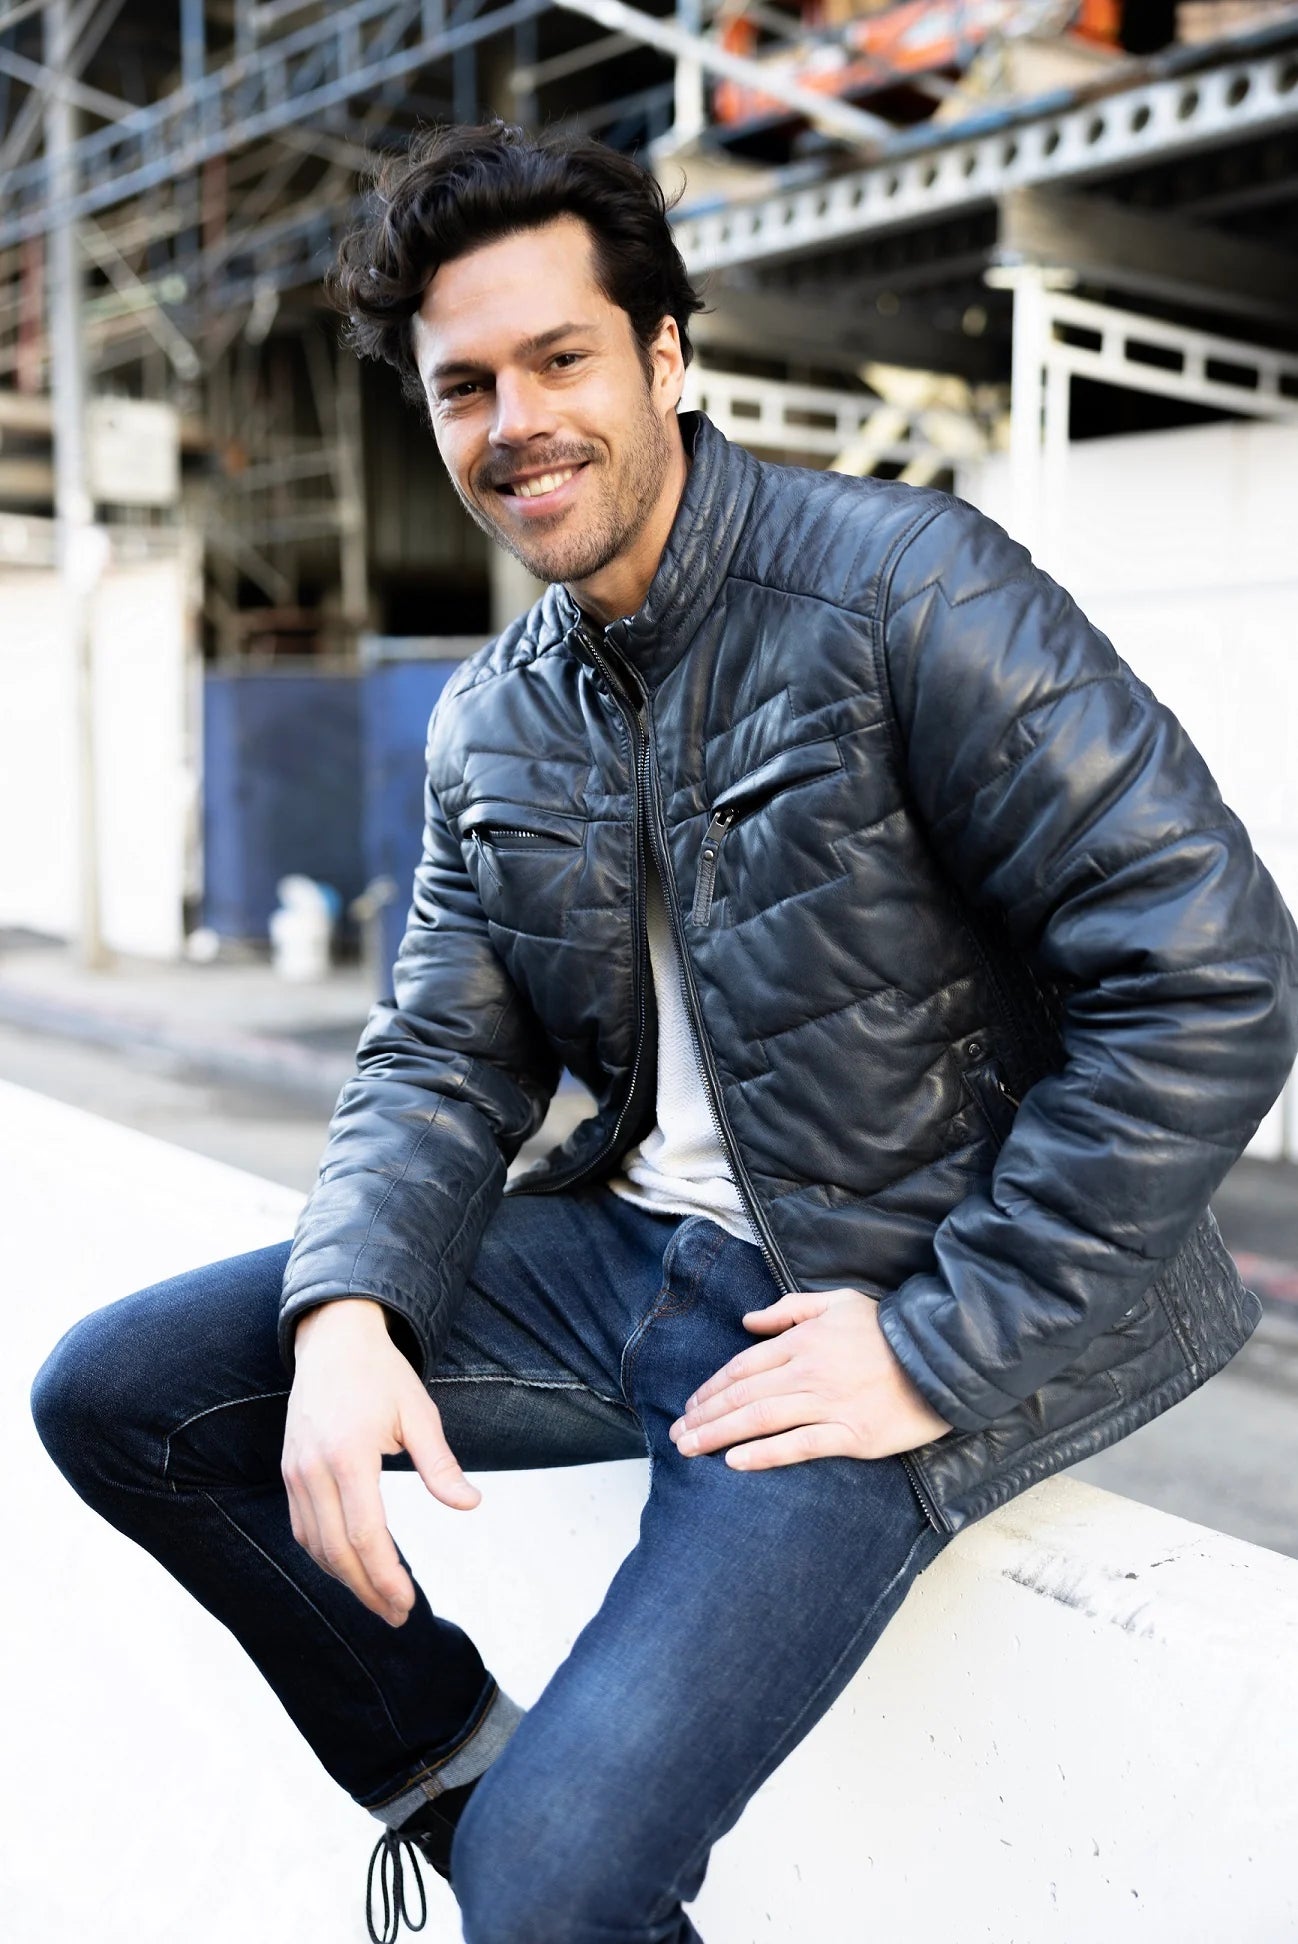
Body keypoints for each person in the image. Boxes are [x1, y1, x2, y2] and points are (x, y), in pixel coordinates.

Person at [32, 121, 1298, 1944]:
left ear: (667, 359)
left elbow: (1214, 966)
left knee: (553, 1893)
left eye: (560, 358)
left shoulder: (902, 587)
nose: (512, 421)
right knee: (125, 1399)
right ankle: (453, 1771)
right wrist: (346, 1307)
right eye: (464, 387)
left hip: (869, 1298)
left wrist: (941, 1342)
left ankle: (536, 1865)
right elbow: (447, 1054)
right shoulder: (495, 715)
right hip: (635, 1257)